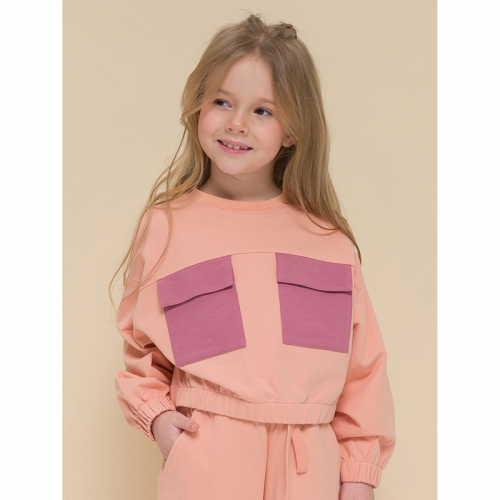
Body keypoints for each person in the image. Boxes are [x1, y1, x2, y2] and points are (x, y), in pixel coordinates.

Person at [110, 13, 396, 500]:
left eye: (263, 110)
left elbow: (362, 373)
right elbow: (141, 349)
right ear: (198, 106)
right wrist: (157, 418)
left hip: (310, 469)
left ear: (293, 130)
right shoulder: (168, 226)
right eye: (222, 101)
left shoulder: (327, 240)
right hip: (207, 460)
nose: (236, 123)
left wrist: (359, 476)